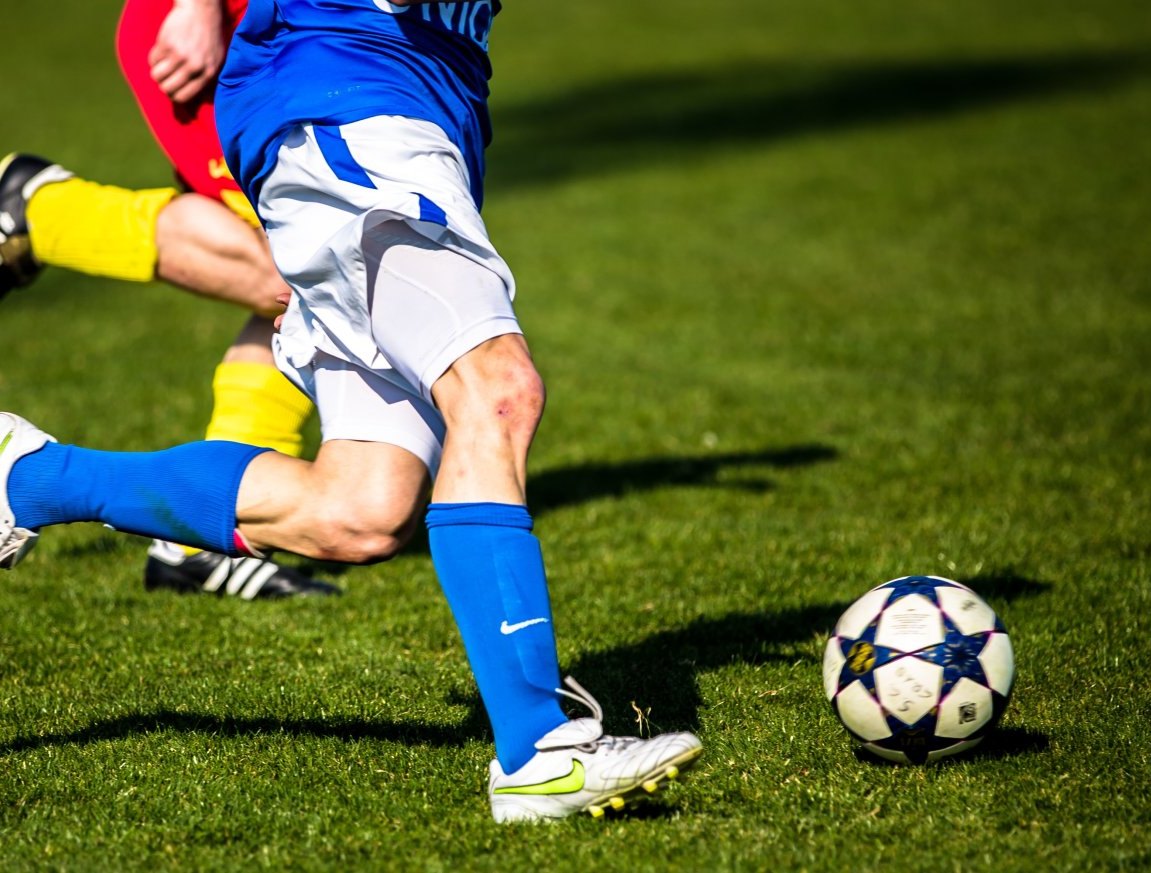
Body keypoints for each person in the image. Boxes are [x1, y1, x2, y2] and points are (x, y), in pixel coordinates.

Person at [0, 0, 702, 821]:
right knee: (496, 387)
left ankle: (31, 477)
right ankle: (538, 751)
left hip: (410, 111)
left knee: (361, 508)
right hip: (347, 98)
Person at [0, 0, 336, 599]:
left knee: (318, 281)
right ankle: (43, 211)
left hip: (304, 36)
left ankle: (197, 543)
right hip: (221, 26)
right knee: (301, 275)